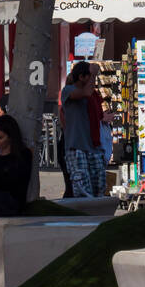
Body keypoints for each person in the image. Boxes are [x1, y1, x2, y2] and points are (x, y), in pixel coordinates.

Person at [60, 61, 100, 197]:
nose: (92, 80)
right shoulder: (68, 91)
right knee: (83, 189)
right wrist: (94, 73)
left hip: (93, 145)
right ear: (81, 77)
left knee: (98, 185)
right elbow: (86, 92)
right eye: (89, 76)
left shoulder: (92, 94)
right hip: (76, 146)